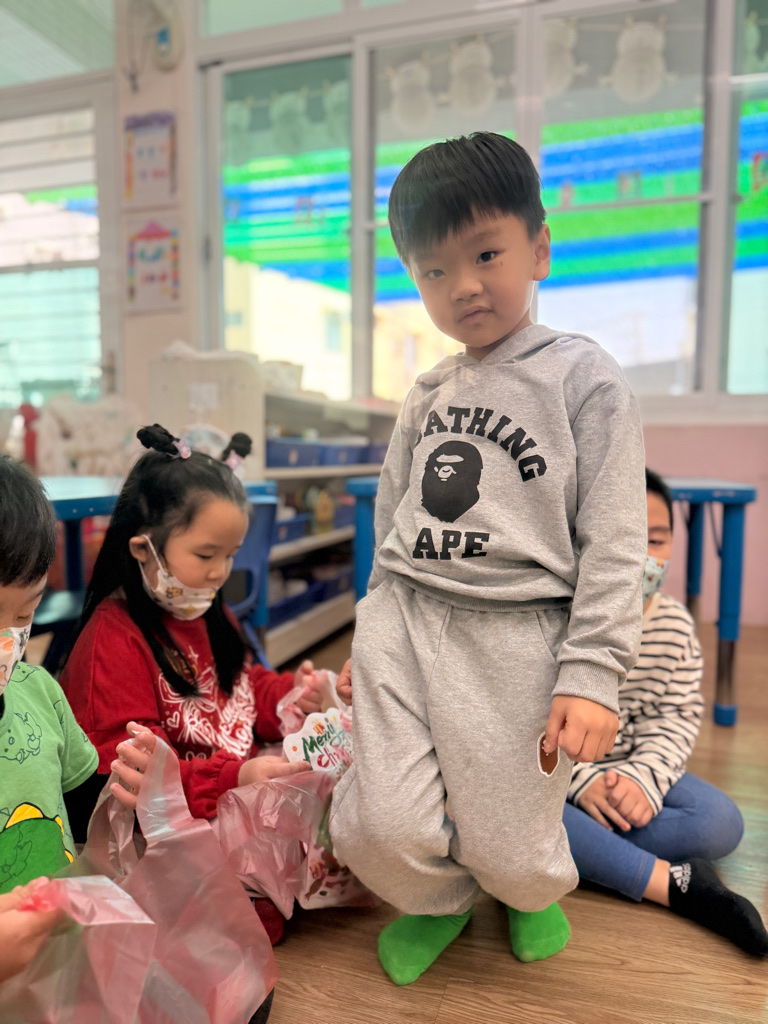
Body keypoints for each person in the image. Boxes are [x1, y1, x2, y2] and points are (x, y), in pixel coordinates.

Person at [329, 131, 648, 985]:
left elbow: (615, 539)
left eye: (485, 254)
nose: (463, 285)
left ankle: (520, 891)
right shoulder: (427, 393)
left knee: (513, 839)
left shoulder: (584, 378)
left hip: (519, 636)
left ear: (538, 248)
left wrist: (593, 671)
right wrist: (369, 630)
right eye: (434, 270)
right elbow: (393, 522)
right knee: (378, 825)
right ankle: (440, 901)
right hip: (405, 617)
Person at [61, 424, 326, 944]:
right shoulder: (113, 641)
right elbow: (134, 783)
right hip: (170, 816)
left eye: (230, 555)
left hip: (226, 784)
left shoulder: (203, 610)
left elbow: (243, 684)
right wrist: (236, 778)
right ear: (143, 549)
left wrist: (295, 696)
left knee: (333, 768)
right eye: (206, 556)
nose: (219, 573)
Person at [563, 468, 768, 956]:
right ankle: (672, 885)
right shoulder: (556, 616)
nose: (641, 557)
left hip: (635, 769)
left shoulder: (674, 626)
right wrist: (581, 782)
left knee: (722, 821)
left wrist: (643, 781)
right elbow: (530, 724)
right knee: (506, 814)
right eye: (624, 540)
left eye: (655, 539)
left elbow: (674, 718)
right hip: (558, 779)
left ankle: (587, 856)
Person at [0, 455, 140, 981]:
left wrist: (131, 789)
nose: (7, 640)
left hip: (62, 954)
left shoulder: (40, 693)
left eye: (23, 614)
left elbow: (83, 810)